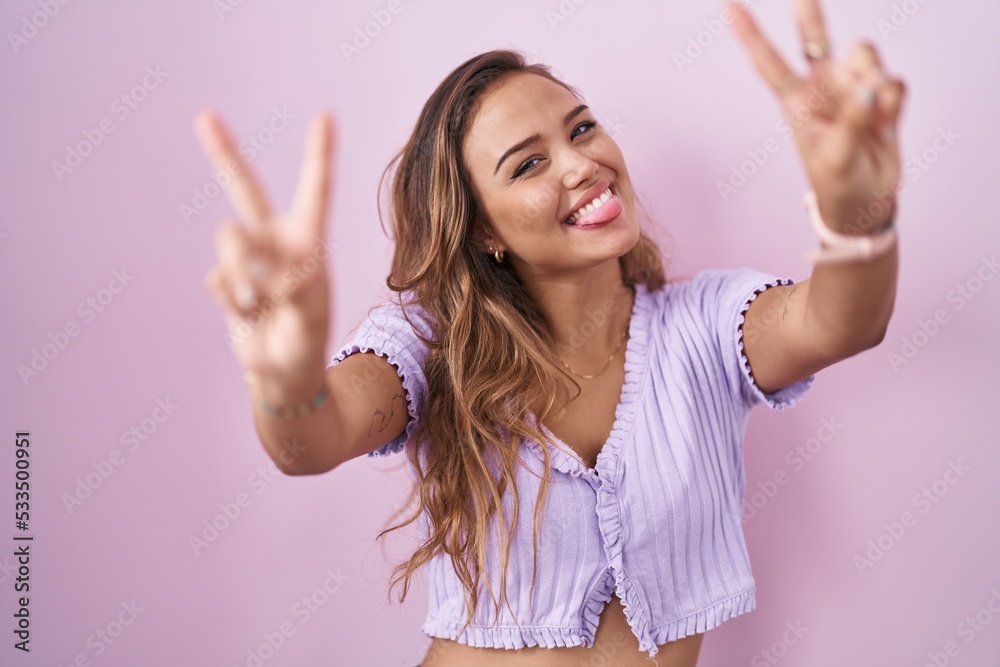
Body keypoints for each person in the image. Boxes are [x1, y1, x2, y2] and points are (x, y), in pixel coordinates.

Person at [195, 2, 905, 664]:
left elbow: (843, 320)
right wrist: (285, 383)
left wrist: (859, 214)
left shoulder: (705, 326)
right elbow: (314, 438)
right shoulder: (428, 346)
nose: (580, 164)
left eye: (582, 127)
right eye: (528, 164)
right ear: (482, 229)